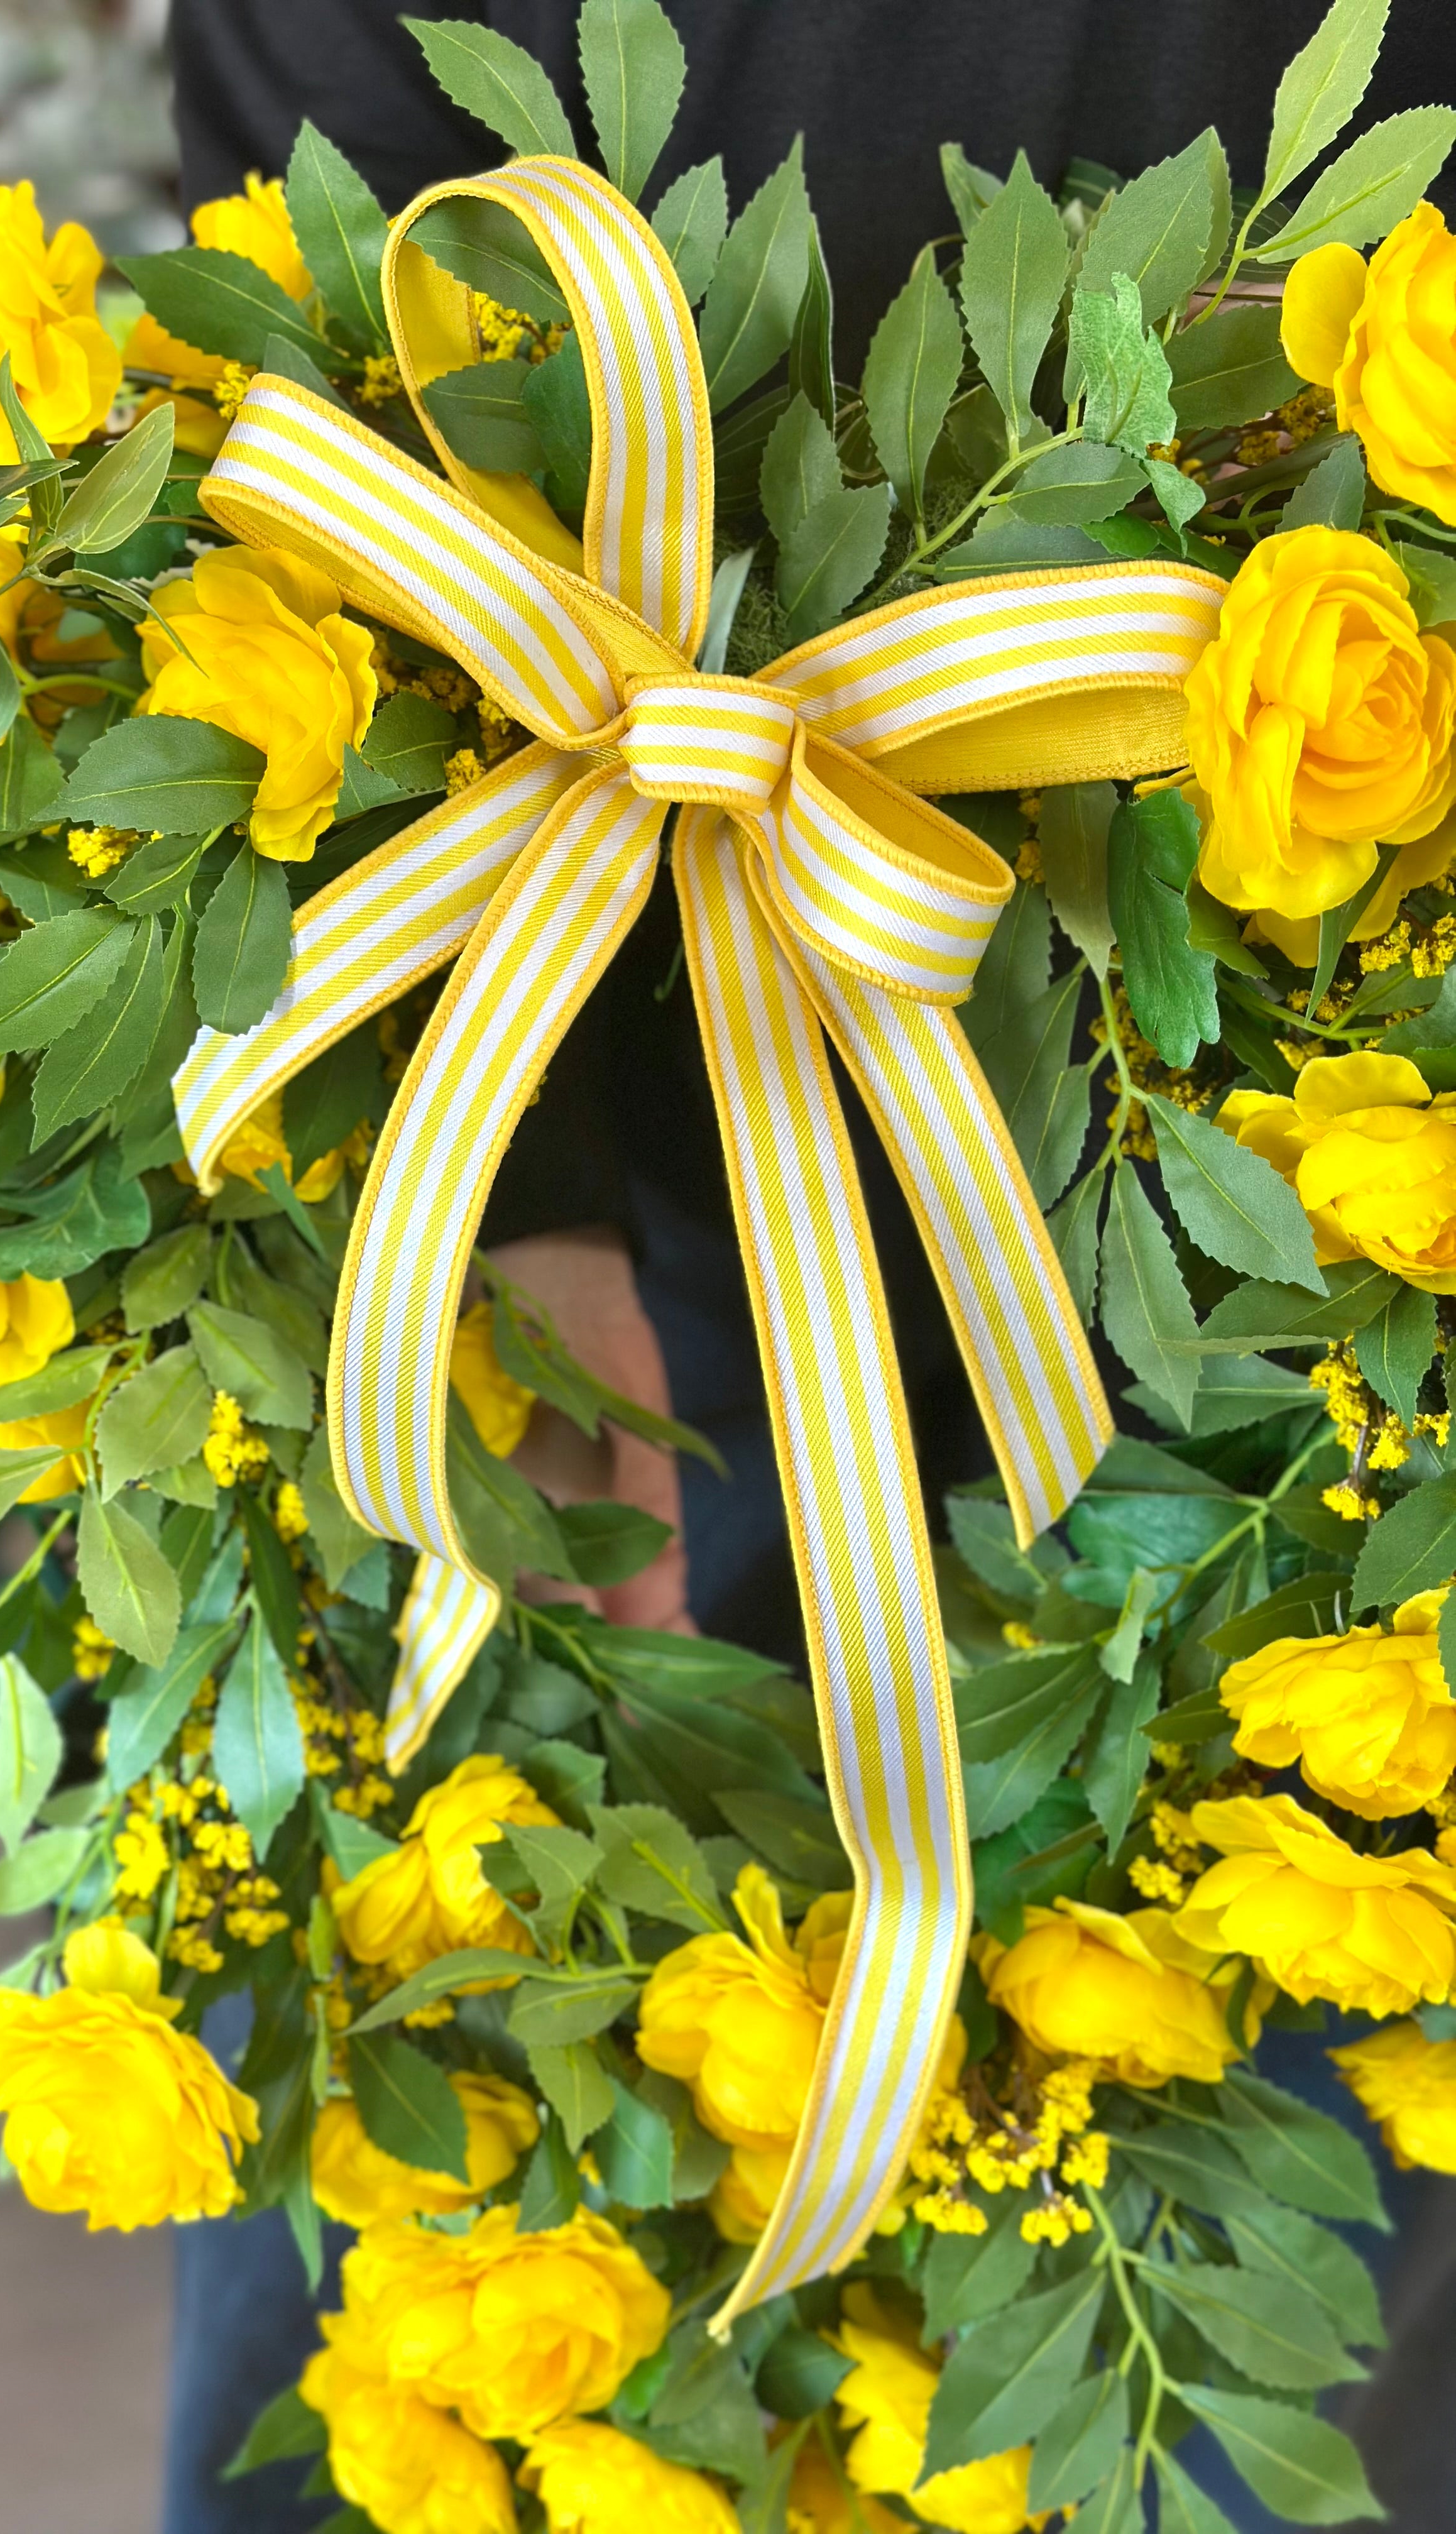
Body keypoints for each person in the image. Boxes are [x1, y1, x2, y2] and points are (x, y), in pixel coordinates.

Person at [159, 8, 1456, 2528]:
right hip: (577, 1121)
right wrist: (509, 1222)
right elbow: (320, 316)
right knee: (470, 2145)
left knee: (1242, 2127)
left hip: (1316, 1251)